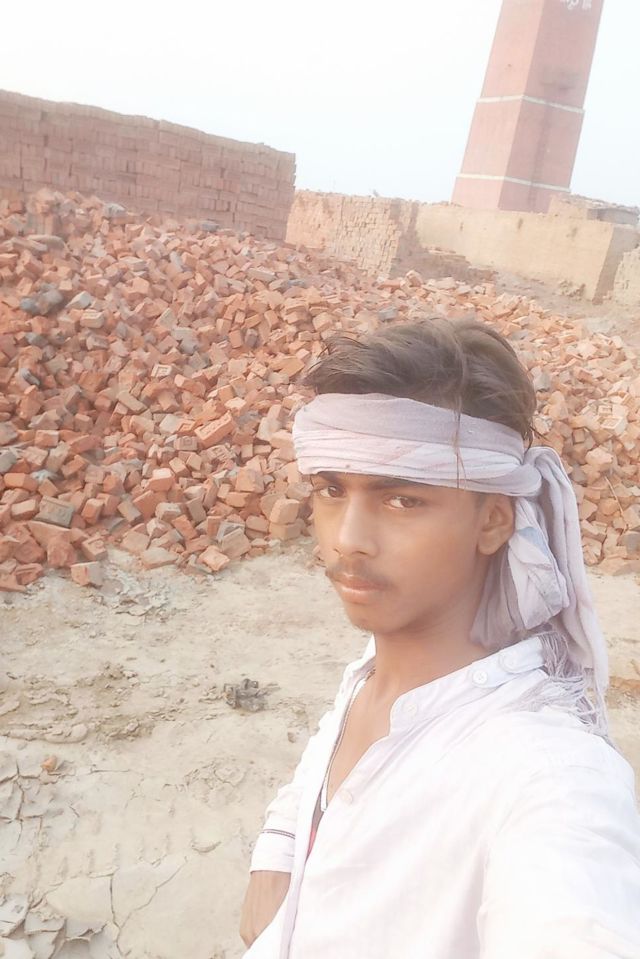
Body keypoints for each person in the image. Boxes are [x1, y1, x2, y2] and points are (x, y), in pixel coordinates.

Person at [240, 319, 640, 958]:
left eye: (402, 500)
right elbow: (325, 750)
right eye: (331, 490)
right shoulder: (380, 665)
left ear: (494, 522)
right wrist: (280, 847)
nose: (347, 539)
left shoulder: (551, 775)